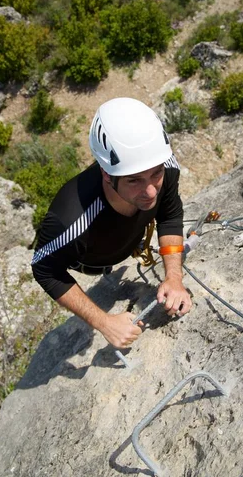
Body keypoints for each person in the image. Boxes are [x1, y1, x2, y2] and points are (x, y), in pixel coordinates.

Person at [31, 97, 192, 349]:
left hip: (126, 239)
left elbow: (169, 215)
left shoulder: (167, 167)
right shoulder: (71, 218)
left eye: (155, 174)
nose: (151, 191)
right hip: (88, 261)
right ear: (106, 174)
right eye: (134, 180)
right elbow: (44, 268)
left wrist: (174, 277)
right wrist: (104, 322)